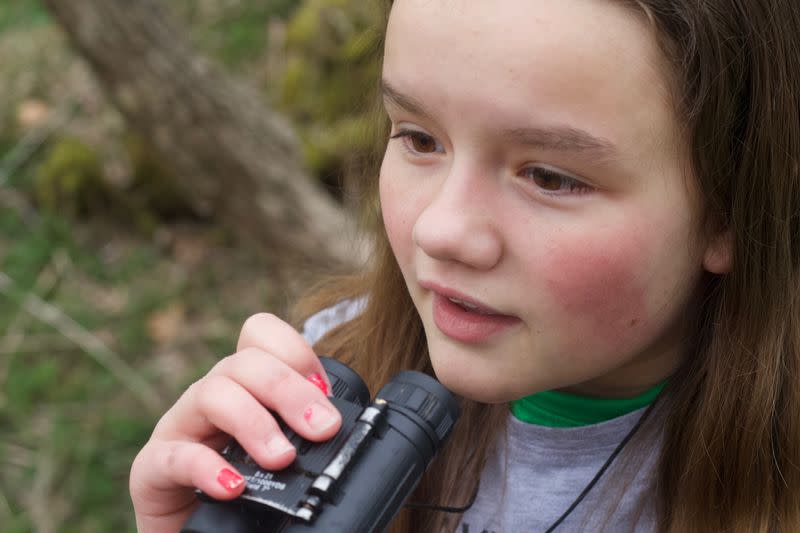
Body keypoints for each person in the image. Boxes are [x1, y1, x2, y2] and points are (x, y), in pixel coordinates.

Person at [129, 0, 800, 531]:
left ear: (732, 207)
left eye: (550, 177)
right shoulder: (330, 374)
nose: (440, 229)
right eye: (419, 138)